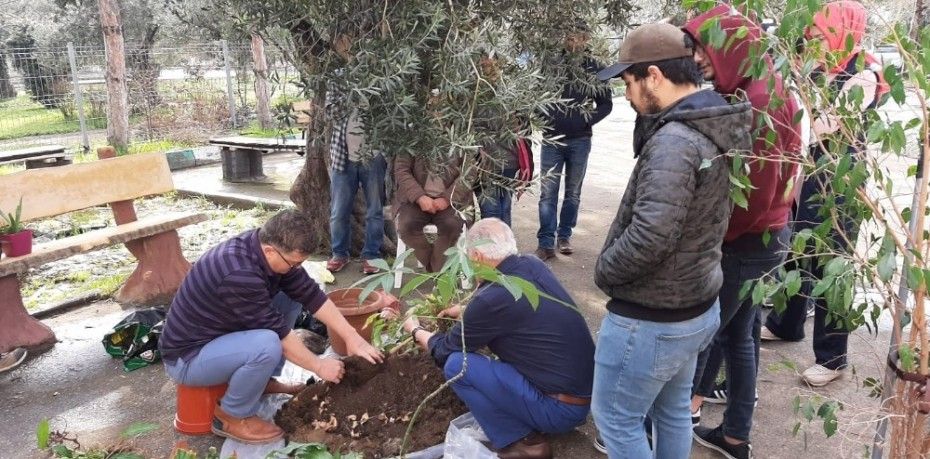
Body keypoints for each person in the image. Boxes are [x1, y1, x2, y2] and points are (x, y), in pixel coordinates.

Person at [591, 23, 752, 458]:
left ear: (654, 76)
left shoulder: (675, 141)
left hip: (652, 317)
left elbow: (650, 235)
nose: (627, 94)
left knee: (617, 421)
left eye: (629, 81)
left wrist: (604, 270)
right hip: (694, 308)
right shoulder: (711, 123)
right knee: (674, 411)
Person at [682, 7, 804, 458]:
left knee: (700, 336)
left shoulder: (760, 101)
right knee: (741, 337)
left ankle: (663, 431)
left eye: (701, 47)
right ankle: (736, 436)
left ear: (729, 47)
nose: (696, 59)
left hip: (747, 244)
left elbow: (754, 195)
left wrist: (715, 238)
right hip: (769, 237)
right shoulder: (761, 87)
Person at [159, 210, 383, 444]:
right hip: (188, 358)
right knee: (267, 344)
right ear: (269, 250)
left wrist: (351, 337)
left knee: (288, 297)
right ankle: (231, 416)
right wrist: (319, 366)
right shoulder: (238, 273)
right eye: (294, 263)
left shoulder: (265, 249)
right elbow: (278, 334)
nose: (297, 268)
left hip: (219, 335)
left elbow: (312, 295)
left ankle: (263, 381)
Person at [762, 0, 888, 387]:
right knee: (798, 251)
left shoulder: (864, 72)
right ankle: (786, 324)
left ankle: (833, 357)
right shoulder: (820, 67)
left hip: (840, 184)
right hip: (809, 174)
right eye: (809, 35)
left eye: (817, 34)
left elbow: (823, 125)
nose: (810, 41)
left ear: (841, 31)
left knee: (832, 265)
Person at [402, 218, 594, 459]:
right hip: (583, 395)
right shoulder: (532, 265)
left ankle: (523, 443)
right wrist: (465, 312)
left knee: (457, 364)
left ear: (478, 258)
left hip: (558, 411)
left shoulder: (489, 300)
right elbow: (519, 311)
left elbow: (443, 350)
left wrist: (415, 330)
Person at [535, 23, 613, 260]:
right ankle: (546, 243)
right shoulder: (551, 64)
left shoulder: (594, 67)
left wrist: (586, 121)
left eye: (576, 37)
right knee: (548, 192)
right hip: (552, 140)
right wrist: (544, 119)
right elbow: (535, 97)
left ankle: (564, 236)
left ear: (586, 38)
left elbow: (606, 104)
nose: (571, 42)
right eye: (567, 37)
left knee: (573, 193)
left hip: (580, 141)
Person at [325, 35, 387, 275]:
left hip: (373, 156)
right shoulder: (338, 78)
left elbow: (388, 113)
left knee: (375, 210)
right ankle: (339, 253)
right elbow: (332, 111)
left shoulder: (382, 78)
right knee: (339, 210)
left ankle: (372, 255)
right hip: (343, 156)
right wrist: (354, 93)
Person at [394, 153, 472, 272]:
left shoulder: (461, 137)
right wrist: (419, 197)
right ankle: (436, 269)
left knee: (451, 225)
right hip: (414, 201)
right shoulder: (411, 136)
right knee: (406, 225)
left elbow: (469, 173)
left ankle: (439, 271)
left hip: (450, 202)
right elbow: (401, 170)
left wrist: (447, 199)